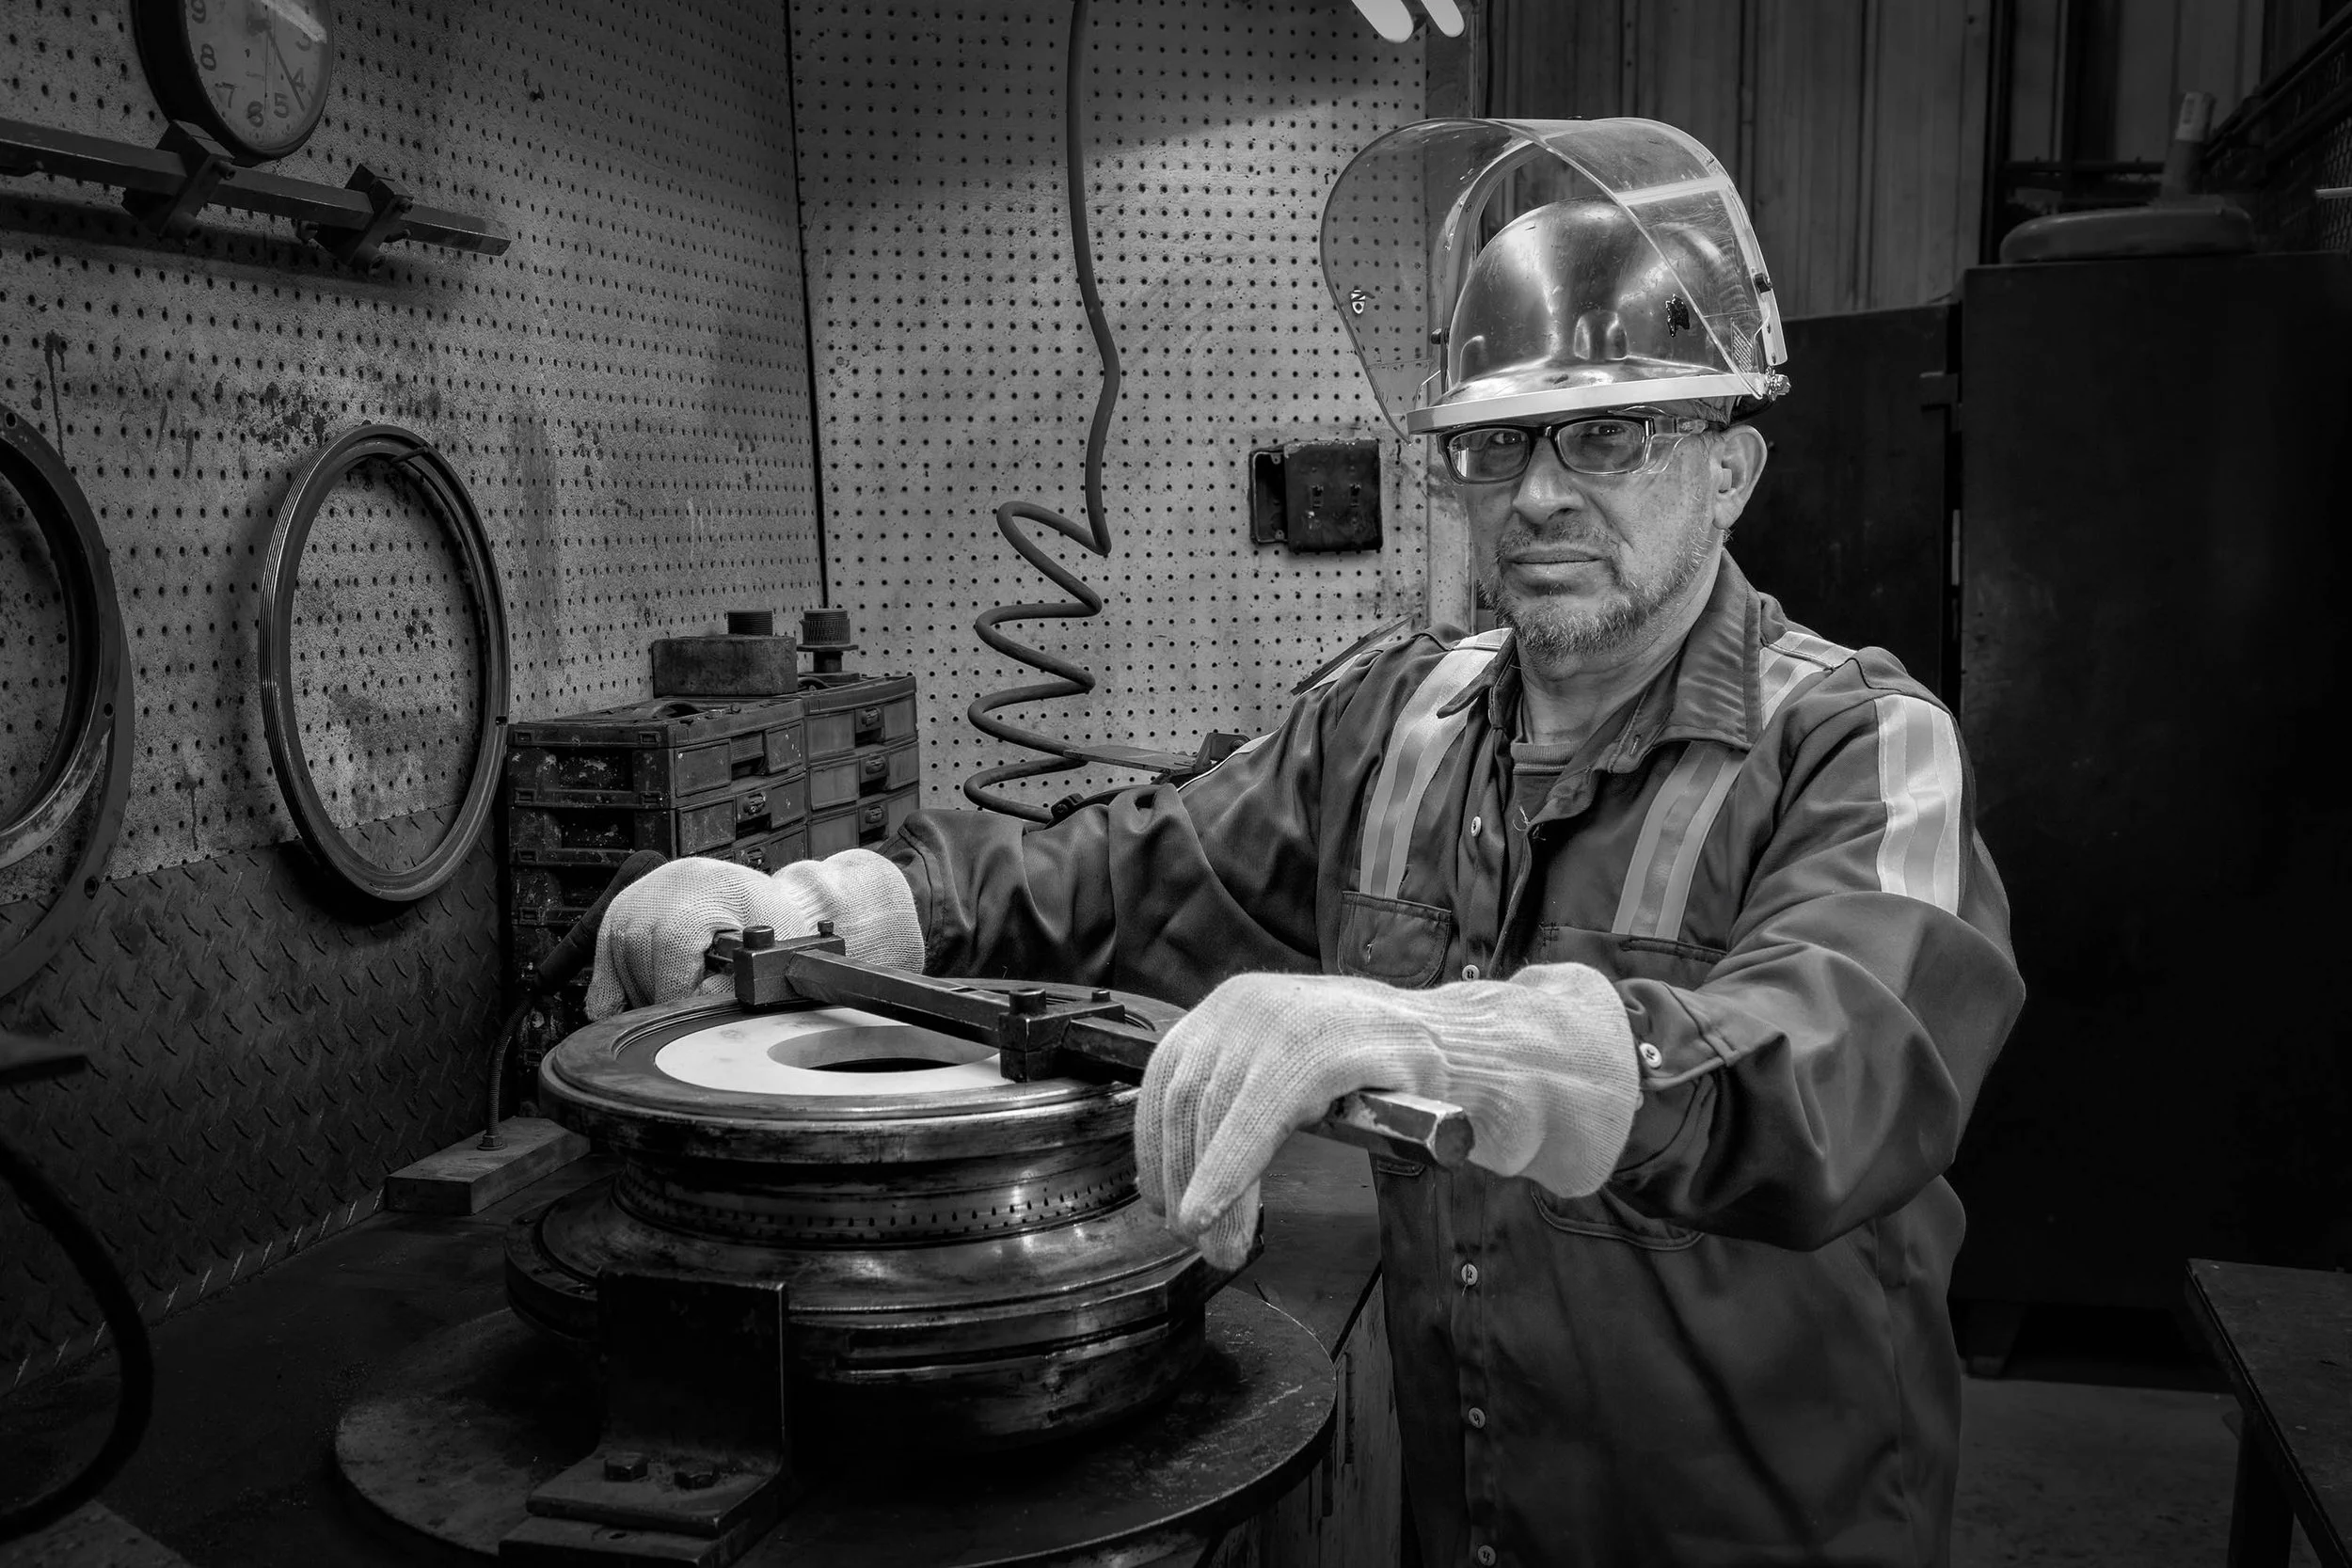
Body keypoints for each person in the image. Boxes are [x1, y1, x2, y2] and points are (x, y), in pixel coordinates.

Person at [588, 119, 2024, 1567]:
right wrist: (836, 901)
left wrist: (1477, 1050)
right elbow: (1115, 873)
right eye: (1488, 442)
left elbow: (1850, 1061)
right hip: (1473, 1519)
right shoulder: (1396, 721)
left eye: (1608, 433)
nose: (1534, 495)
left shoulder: (1857, 741)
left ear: (1730, 468)